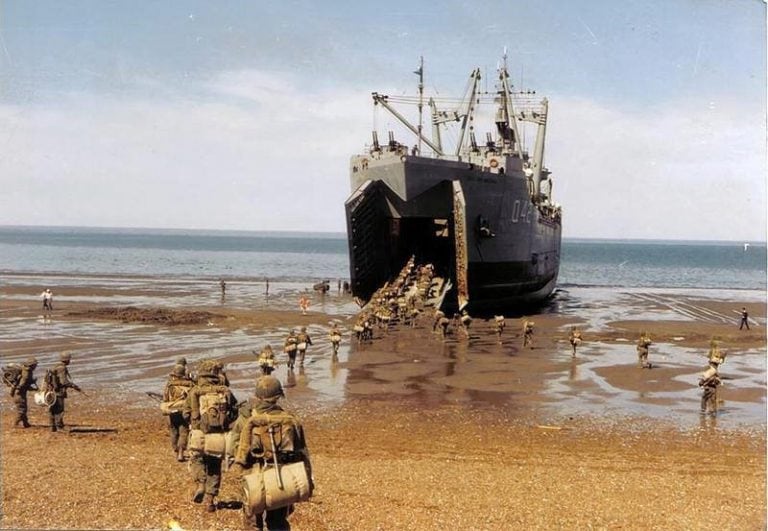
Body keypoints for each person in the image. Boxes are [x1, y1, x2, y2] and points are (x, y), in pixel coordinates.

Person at [231, 376, 313, 530]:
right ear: (278, 396)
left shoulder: (245, 419)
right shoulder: (291, 420)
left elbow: (234, 449)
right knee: (278, 521)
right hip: (281, 476)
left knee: (252, 521)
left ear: (257, 396)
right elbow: (302, 453)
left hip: (253, 476)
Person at [184, 359, 238, 512]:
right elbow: (234, 413)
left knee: (197, 460)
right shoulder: (225, 391)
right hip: (218, 437)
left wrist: (194, 422)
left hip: (198, 434)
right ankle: (210, 500)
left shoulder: (194, 391)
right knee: (215, 467)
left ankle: (200, 483)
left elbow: (186, 413)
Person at [163, 364, 194, 461]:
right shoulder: (189, 384)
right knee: (184, 431)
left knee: (173, 431)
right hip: (184, 411)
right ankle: (181, 452)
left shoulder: (170, 385)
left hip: (173, 411)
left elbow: (165, 399)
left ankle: (176, 451)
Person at [46, 352, 81, 432]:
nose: (70, 361)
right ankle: (59, 427)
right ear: (67, 360)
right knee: (59, 409)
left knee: (52, 409)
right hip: (59, 391)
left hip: (52, 391)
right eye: (69, 359)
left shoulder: (55, 366)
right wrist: (73, 386)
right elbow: (64, 381)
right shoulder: (62, 368)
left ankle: (52, 427)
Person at [11, 357, 39, 428]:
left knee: (23, 408)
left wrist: (31, 382)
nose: (36, 366)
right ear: (32, 365)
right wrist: (32, 387)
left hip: (19, 393)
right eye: (35, 365)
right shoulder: (27, 374)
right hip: (19, 394)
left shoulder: (26, 371)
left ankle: (25, 423)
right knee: (22, 409)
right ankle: (15, 423)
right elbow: (22, 385)